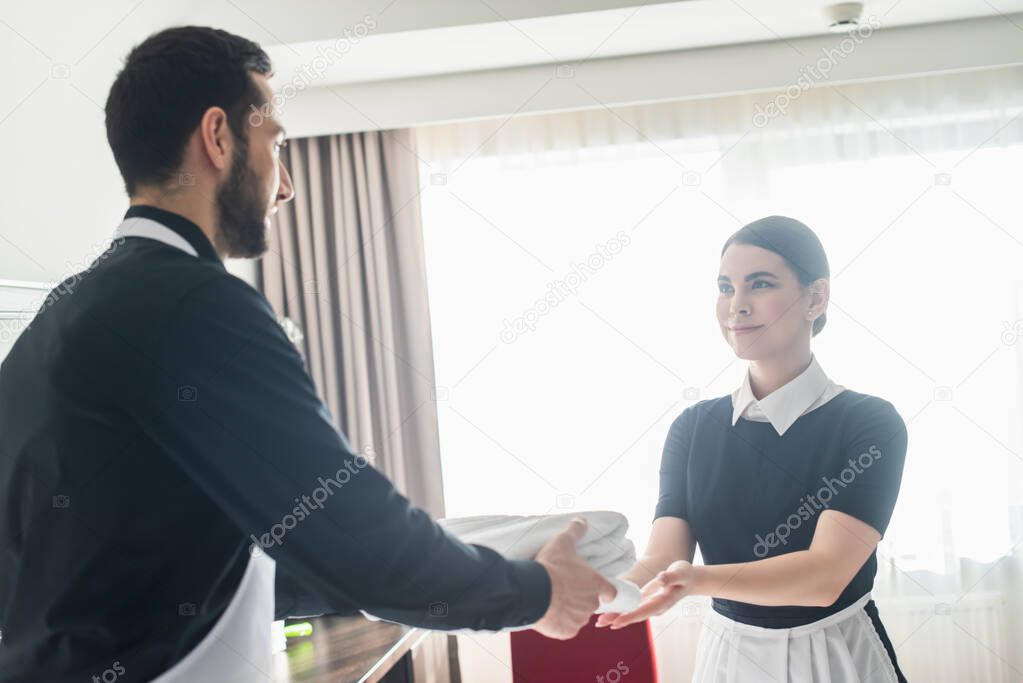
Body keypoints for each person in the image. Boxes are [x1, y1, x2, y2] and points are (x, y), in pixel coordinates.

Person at [0, 26, 614, 682]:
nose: (285, 185)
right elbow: (347, 530)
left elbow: (214, 556)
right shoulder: (195, 304)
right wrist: (537, 594)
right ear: (218, 136)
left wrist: (494, 563)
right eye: (276, 145)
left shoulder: (62, 311)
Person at [597, 216, 909, 682]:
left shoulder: (868, 422)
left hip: (836, 653)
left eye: (759, 285)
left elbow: (825, 577)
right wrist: (602, 589)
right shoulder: (693, 427)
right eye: (726, 287)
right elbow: (663, 556)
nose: (736, 306)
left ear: (816, 298)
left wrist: (698, 580)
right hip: (730, 655)